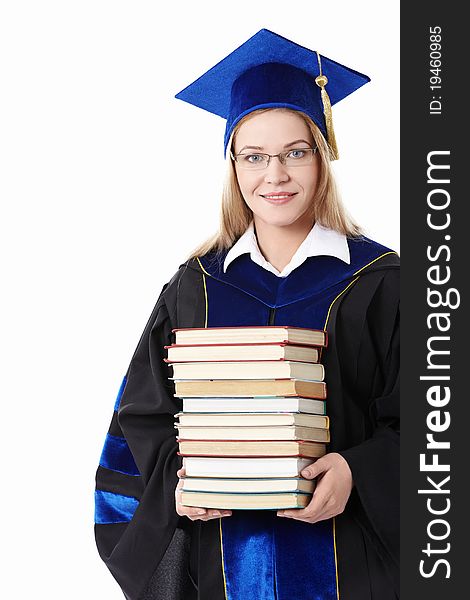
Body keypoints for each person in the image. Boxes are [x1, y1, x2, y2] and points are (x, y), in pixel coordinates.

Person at [94, 29, 399, 600]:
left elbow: (434, 423)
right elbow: (140, 427)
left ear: (322, 156)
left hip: (357, 572)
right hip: (223, 572)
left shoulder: (384, 284)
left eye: (294, 152)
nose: (275, 175)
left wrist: (360, 470)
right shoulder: (194, 288)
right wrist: (176, 488)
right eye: (254, 156)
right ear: (233, 166)